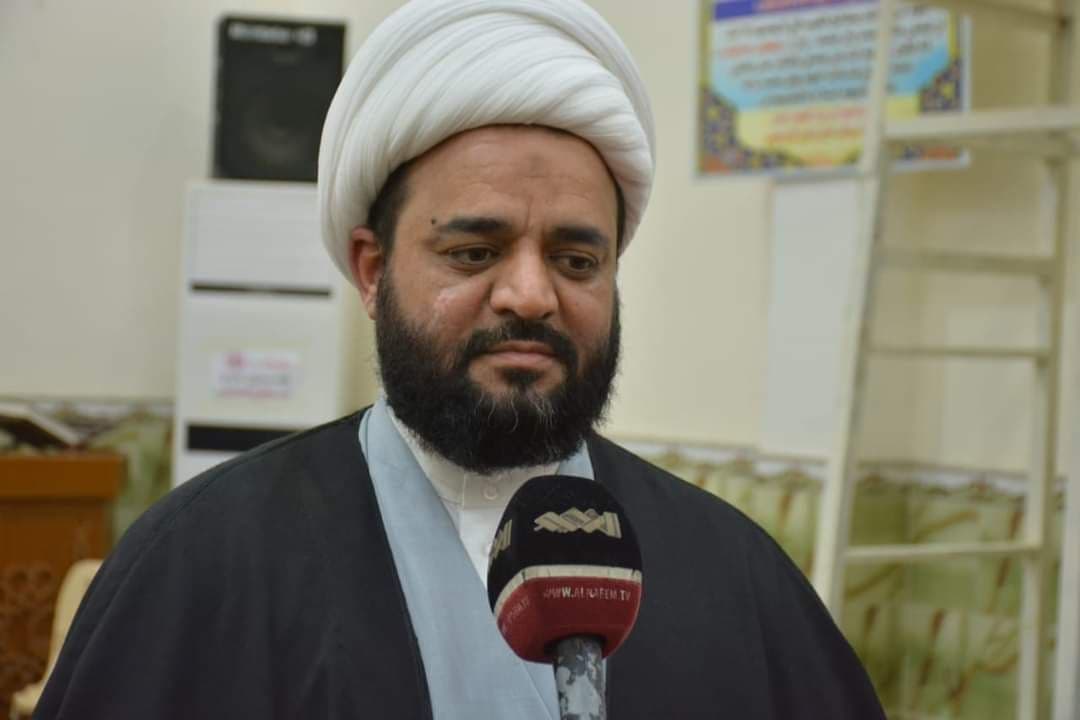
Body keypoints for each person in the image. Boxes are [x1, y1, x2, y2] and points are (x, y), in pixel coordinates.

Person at [36, 1, 886, 718]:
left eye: (575, 260)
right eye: (474, 253)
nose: (531, 295)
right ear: (372, 270)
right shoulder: (200, 566)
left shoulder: (735, 578)